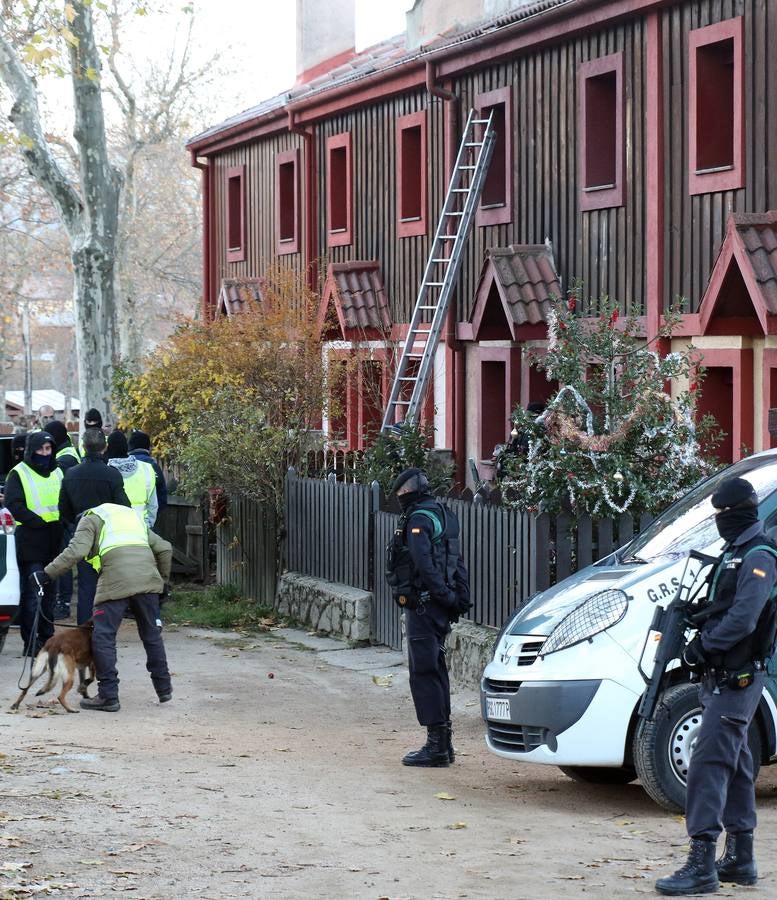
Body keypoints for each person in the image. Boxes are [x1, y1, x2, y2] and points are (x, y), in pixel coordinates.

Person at [655, 477, 777, 895]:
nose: (720, 522)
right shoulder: (733, 553)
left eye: (724, 514)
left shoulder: (759, 556)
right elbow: (724, 608)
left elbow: (745, 618)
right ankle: (741, 858)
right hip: (723, 674)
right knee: (739, 762)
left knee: (707, 761)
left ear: (740, 512)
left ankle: (701, 861)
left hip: (738, 675)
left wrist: (704, 646)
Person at [41, 501, 173, 712]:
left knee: (103, 636)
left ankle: (108, 696)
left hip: (115, 581)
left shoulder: (89, 519)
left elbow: (77, 551)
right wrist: (162, 582)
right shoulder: (133, 519)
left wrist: (47, 574)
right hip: (148, 581)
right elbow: (165, 548)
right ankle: (164, 688)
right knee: (151, 635)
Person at [386, 468, 471, 767]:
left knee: (424, 673)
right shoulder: (444, 514)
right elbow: (456, 559)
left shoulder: (418, 518)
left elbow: (423, 564)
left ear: (407, 491)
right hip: (440, 605)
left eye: (400, 493)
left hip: (424, 605)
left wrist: (442, 596)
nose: (399, 499)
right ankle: (444, 745)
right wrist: (458, 597)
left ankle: (436, 746)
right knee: (437, 671)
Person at [59, 428, 131, 624]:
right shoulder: (112, 475)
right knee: (109, 584)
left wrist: (75, 527)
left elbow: (63, 510)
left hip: (83, 535)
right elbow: (124, 507)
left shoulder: (71, 474)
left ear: (82, 447)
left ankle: (85, 628)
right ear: (105, 447)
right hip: (108, 537)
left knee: (86, 585)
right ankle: (105, 627)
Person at [3, 431, 63, 654]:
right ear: (31, 450)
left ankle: (48, 639)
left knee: (50, 595)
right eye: (41, 449)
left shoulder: (57, 472)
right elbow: (14, 505)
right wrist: (38, 522)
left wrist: (63, 523)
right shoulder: (19, 473)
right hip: (31, 540)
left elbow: (64, 501)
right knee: (33, 595)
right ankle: (31, 643)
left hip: (54, 540)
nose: (45, 454)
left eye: (48, 449)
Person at [46, 421, 80, 620]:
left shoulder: (65, 459)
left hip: (65, 518)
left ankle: (63, 603)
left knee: (64, 561)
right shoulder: (67, 452)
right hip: (68, 516)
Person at [106, 430, 158, 527]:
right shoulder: (147, 469)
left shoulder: (106, 471)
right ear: (126, 447)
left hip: (113, 530)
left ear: (108, 448)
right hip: (140, 528)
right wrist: (147, 527)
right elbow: (153, 505)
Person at [128, 429, 168, 515]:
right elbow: (162, 497)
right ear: (148, 447)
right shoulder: (153, 466)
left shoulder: (122, 465)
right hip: (146, 519)